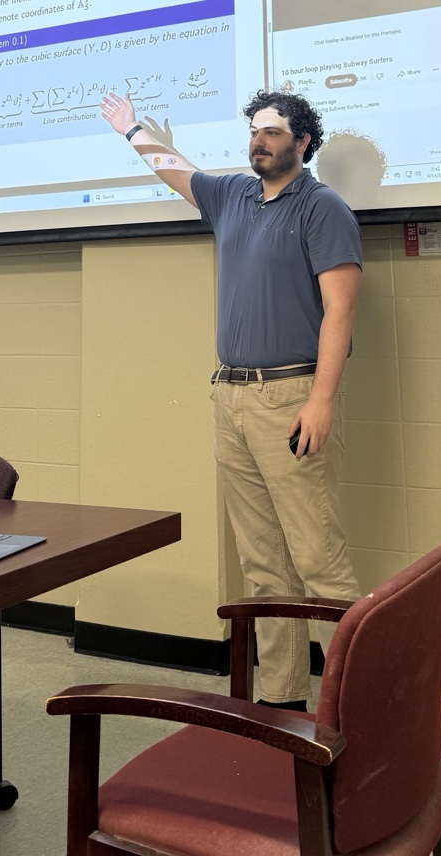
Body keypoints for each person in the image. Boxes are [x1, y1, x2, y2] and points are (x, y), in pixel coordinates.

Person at [100, 86, 362, 710]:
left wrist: (321, 399)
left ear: (302, 143)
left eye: (273, 132)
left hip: (291, 396)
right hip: (232, 399)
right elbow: (176, 170)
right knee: (264, 564)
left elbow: (341, 309)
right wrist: (133, 129)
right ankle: (282, 701)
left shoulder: (322, 208)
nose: (259, 141)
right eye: (254, 132)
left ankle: (370, 704)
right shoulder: (232, 197)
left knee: (318, 559)